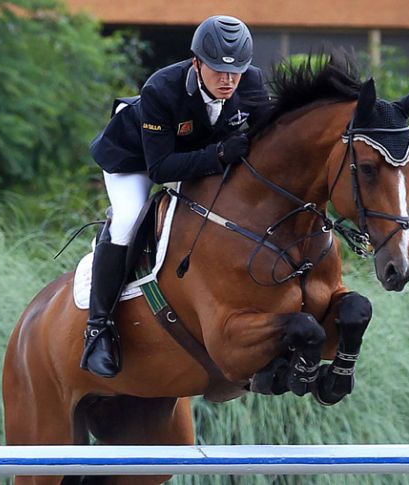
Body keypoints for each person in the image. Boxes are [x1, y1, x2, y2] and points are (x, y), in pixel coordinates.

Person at [81, 15, 271, 378]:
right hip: (134, 159)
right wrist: (217, 156)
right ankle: (98, 327)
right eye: (218, 71)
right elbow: (161, 169)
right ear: (197, 63)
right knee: (128, 219)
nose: (229, 81)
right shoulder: (161, 89)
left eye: (236, 72)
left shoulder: (251, 84)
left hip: (196, 156)